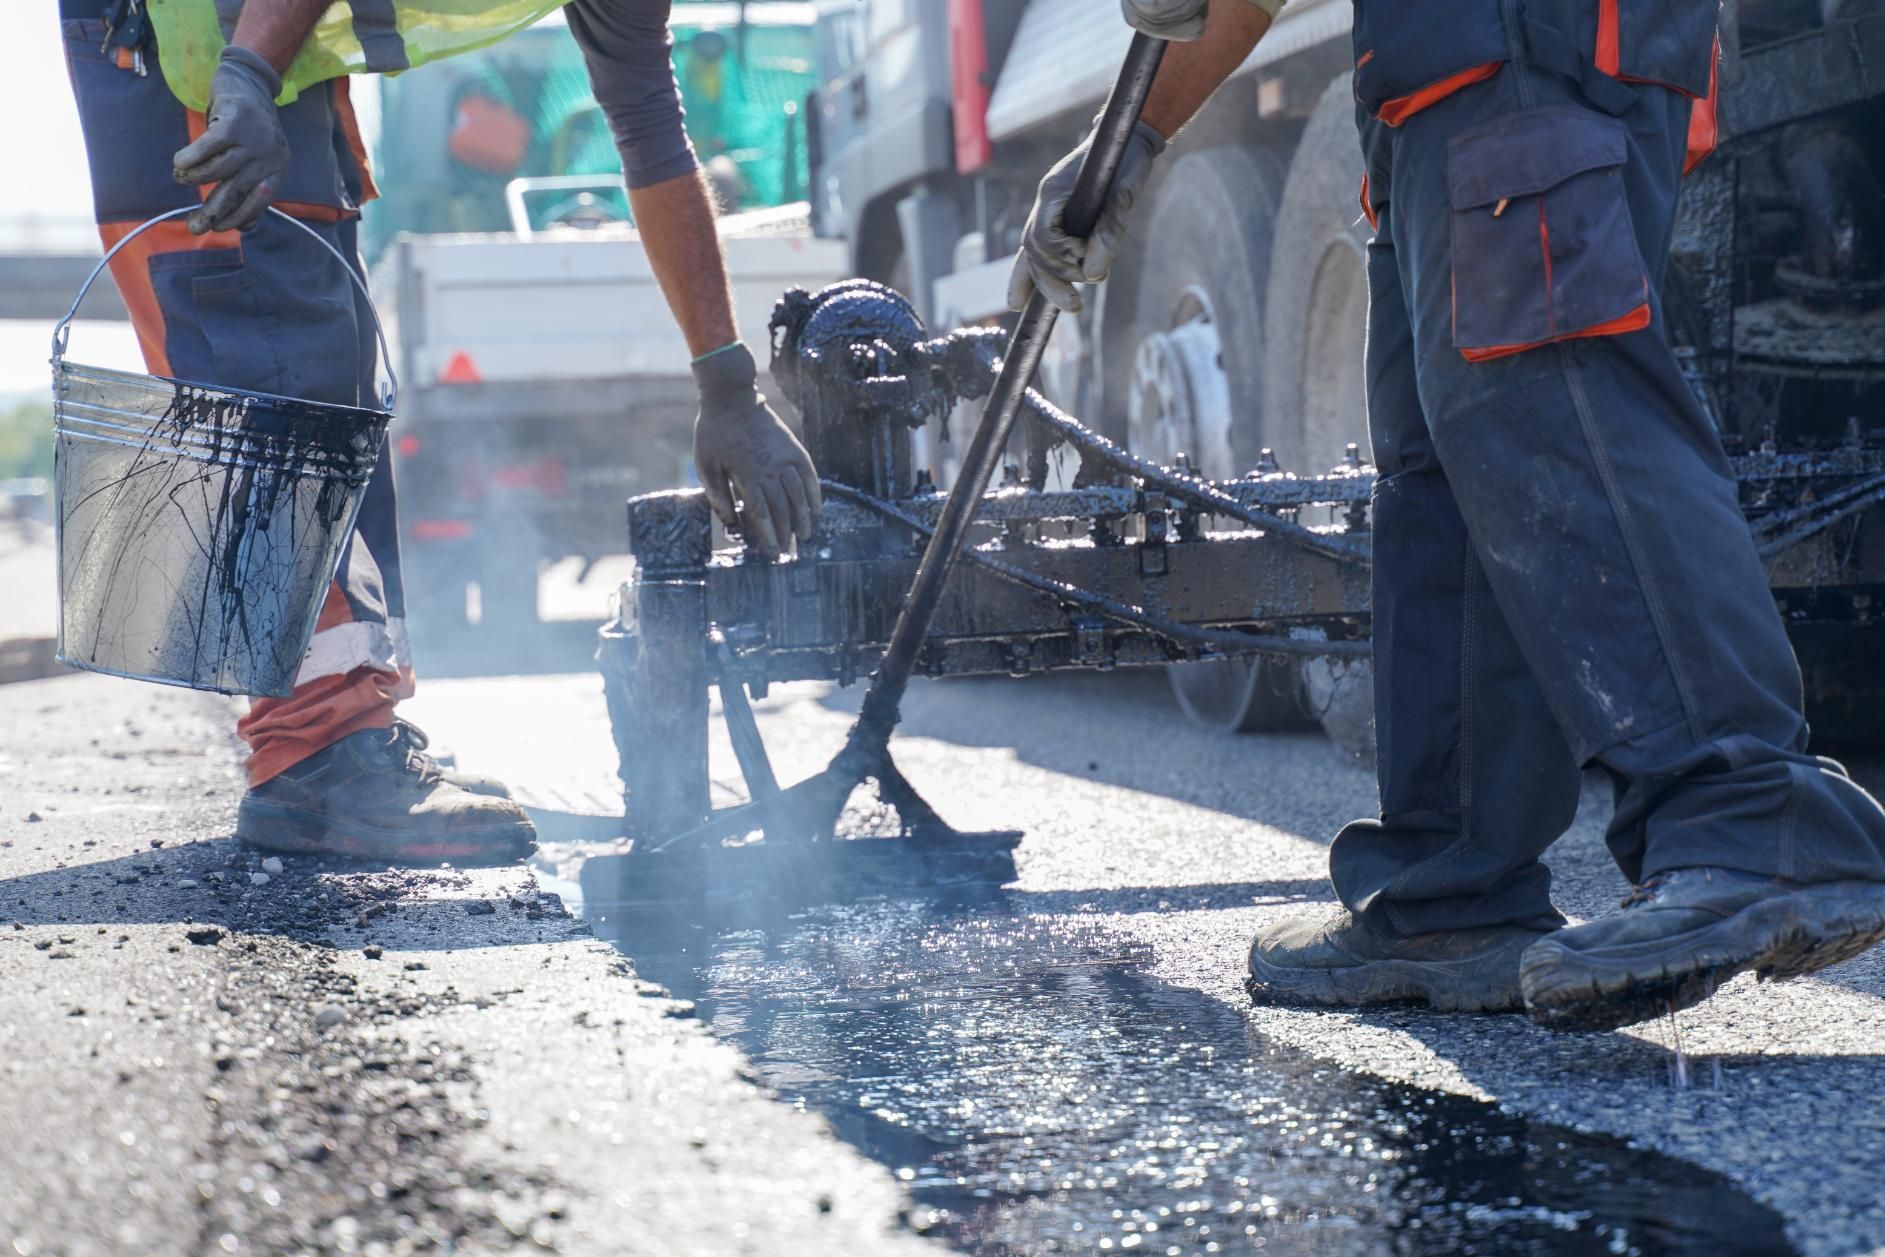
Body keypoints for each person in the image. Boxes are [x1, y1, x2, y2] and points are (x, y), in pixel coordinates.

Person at [1012, 0, 1885, 1031]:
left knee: (1554, 384)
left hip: (1521, 37)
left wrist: (1138, 132)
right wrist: (1135, 136)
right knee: (1450, 458)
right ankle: (1453, 889)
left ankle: (1752, 814)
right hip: (1450, 67)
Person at [59, 0, 820, 865]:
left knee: (332, 376)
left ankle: (354, 729)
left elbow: (650, 131)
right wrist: (246, 77)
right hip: (190, 48)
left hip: (270, 53)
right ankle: (315, 760)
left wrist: (725, 382)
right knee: (271, 383)